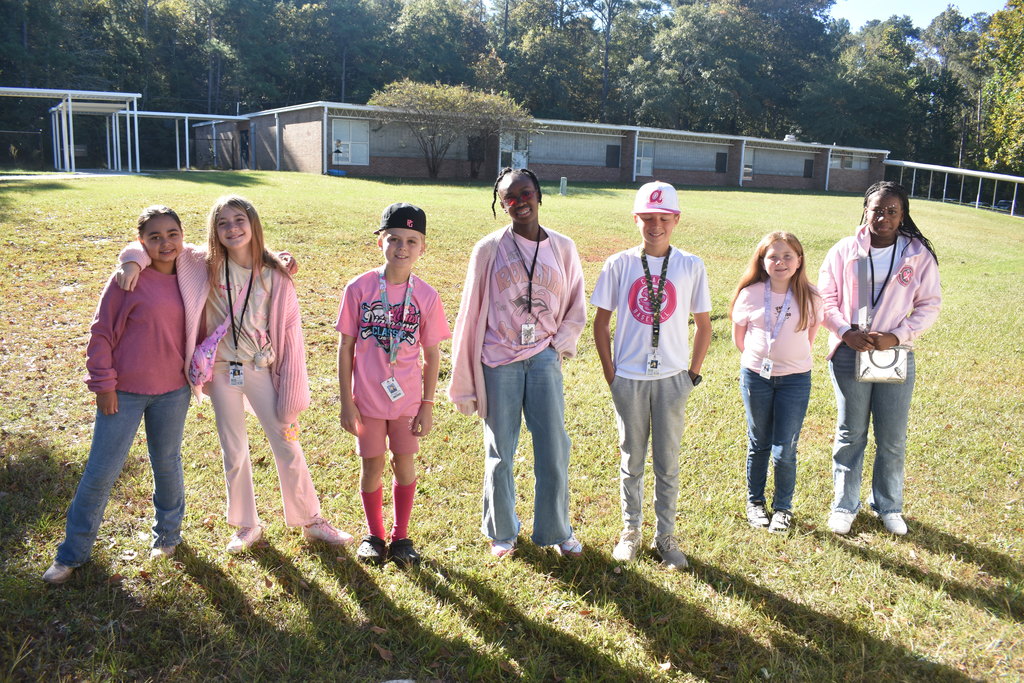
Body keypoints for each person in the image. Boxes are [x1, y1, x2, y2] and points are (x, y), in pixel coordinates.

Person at [116, 195, 353, 553]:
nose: (232, 228)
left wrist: (290, 389)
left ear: (253, 223)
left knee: (287, 442)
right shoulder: (199, 263)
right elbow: (151, 245)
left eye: (239, 220)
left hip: (262, 369)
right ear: (214, 231)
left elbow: (290, 337)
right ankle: (246, 524)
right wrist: (131, 263)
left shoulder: (276, 275)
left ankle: (311, 519)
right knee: (234, 448)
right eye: (222, 223)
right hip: (222, 372)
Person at [43, 207, 195, 584]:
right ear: (141, 240)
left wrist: (283, 261)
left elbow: (235, 253)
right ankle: (71, 554)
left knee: (167, 462)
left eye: (172, 234)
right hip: (123, 393)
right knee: (101, 471)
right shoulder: (127, 280)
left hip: (174, 391)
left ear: (182, 235)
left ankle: (168, 535)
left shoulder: (192, 273)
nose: (165, 243)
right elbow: (101, 335)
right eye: (155, 237)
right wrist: (104, 385)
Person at [448, 168, 587, 558]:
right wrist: (463, 377)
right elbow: (469, 312)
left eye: (525, 193)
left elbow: (577, 302)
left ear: (539, 195)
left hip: (543, 358)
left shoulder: (563, 247)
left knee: (554, 448)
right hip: (498, 360)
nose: (519, 202)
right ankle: (502, 530)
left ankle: (557, 529)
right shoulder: (488, 249)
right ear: (501, 204)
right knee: (500, 450)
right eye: (509, 197)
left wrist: (557, 346)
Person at [591, 181, 711, 570]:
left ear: (676, 220)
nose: (655, 225)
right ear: (636, 219)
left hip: (673, 379)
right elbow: (601, 323)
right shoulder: (620, 263)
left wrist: (690, 374)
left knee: (668, 462)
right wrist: (612, 373)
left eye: (663, 218)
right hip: (628, 378)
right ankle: (631, 532)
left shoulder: (691, 265)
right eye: (647, 218)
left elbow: (704, 324)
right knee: (632, 456)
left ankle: (666, 536)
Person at [819, 181, 941, 536]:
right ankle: (844, 505)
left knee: (891, 436)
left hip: (894, 354)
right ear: (865, 210)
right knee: (850, 432)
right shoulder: (844, 250)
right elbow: (824, 298)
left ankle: (888, 505)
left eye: (892, 211)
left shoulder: (916, 254)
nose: (884, 217)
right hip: (849, 352)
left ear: (902, 215)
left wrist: (896, 336)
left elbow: (929, 305)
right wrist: (845, 331)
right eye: (877, 210)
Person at [336, 203, 450, 567]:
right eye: (395, 239)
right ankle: (375, 535)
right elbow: (346, 348)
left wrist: (428, 405)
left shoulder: (427, 296)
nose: (403, 248)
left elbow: (432, 356)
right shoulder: (359, 288)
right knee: (371, 467)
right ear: (380, 241)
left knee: (405, 465)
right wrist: (345, 401)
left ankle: (401, 537)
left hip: (407, 404)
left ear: (423, 247)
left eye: (412, 241)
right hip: (366, 401)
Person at [729, 231, 822, 534]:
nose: (780, 262)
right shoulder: (751, 293)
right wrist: (761, 362)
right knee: (759, 443)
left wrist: (787, 362)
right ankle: (755, 503)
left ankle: (783, 508)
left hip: (795, 380)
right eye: (773, 256)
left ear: (799, 261)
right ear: (762, 260)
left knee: (786, 449)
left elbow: (810, 336)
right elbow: (739, 338)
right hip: (757, 378)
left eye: (787, 256)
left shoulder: (811, 295)